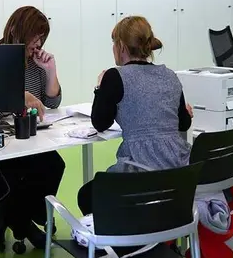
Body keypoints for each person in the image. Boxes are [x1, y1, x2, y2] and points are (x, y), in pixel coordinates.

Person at [76, 15, 192, 216]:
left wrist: (100, 88)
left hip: (140, 171)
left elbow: (100, 122)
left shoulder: (115, 76)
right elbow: (183, 123)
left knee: (86, 195)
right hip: (176, 173)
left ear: (121, 46)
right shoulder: (170, 76)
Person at [0, 6, 65, 252]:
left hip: (29, 138)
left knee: (54, 164)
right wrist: (18, 97)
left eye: (42, 37)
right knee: (14, 171)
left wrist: (50, 71)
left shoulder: (35, 63)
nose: (38, 43)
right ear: (17, 30)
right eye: (34, 36)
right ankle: (23, 224)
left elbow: (52, 103)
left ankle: (10, 217)